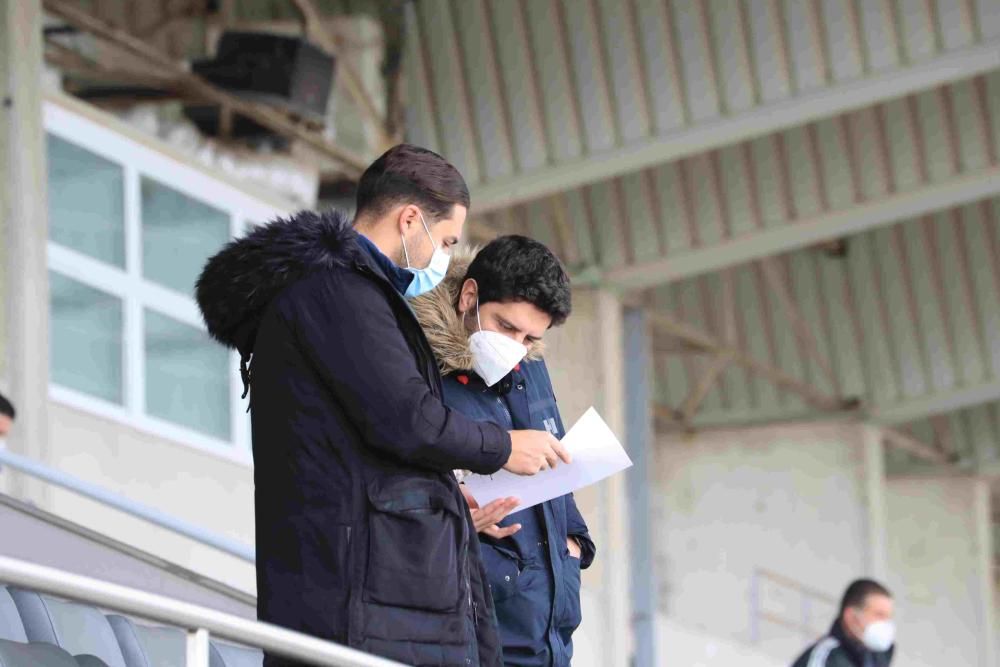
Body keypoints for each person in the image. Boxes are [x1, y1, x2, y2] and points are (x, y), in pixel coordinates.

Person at [196, 144, 570, 666]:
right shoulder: (339, 292)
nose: (445, 258)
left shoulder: (349, 294)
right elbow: (408, 419)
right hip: (356, 591)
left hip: (362, 581)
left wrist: (443, 493)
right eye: (445, 241)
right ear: (410, 219)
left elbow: (367, 437)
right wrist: (504, 446)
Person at [411, 236, 595, 666]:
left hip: (548, 636)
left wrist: (575, 543)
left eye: (530, 338)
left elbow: (555, 459)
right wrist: (456, 515)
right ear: (469, 295)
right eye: (506, 327)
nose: (516, 346)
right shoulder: (414, 363)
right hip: (471, 630)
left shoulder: (530, 366)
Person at [792, 579, 895, 667]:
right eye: (879, 615)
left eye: (888, 617)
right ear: (851, 616)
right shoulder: (825, 659)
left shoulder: (877, 659)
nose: (885, 623)